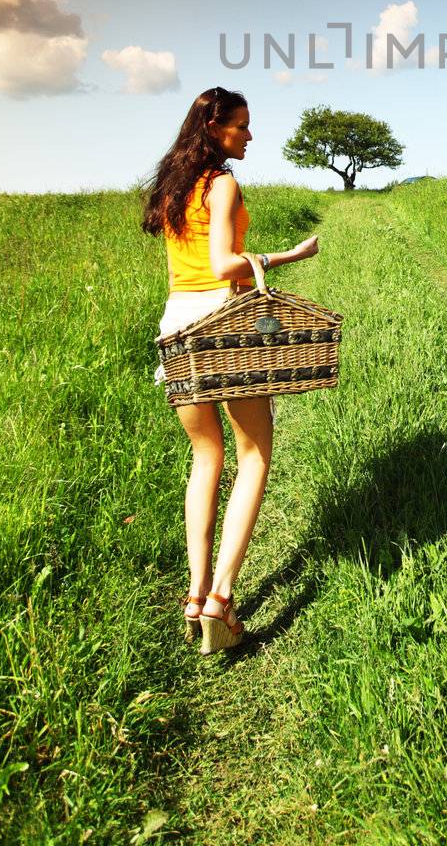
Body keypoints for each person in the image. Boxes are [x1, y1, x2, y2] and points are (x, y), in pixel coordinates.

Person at [143, 87, 319, 654]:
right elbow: (222, 265)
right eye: (242, 125)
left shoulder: (173, 187)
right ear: (214, 128)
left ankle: (194, 596)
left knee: (204, 457)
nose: (249, 134)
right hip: (222, 322)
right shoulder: (223, 184)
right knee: (254, 454)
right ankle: (222, 597)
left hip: (177, 324)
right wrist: (288, 256)